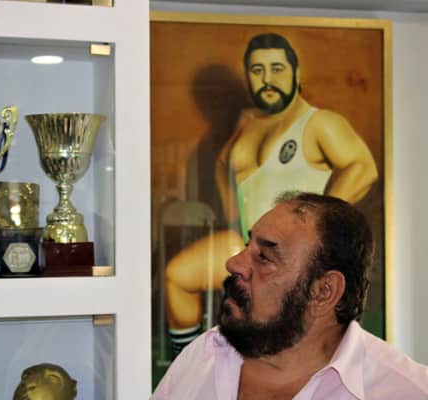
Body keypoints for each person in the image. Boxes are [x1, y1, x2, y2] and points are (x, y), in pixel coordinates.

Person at [164, 32, 379, 356]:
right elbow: (226, 170)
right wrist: (236, 224)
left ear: (296, 73)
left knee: (277, 330)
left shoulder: (319, 122)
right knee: (177, 277)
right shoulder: (246, 126)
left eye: (277, 68)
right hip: (247, 243)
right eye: (257, 70)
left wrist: (317, 231)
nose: (267, 79)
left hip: (292, 256)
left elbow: (363, 169)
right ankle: (193, 364)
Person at [153, 192, 428, 399]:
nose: (233, 263)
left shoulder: (406, 391)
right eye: (248, 245)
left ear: (324, 291)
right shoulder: (202, 356)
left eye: (264, 257)